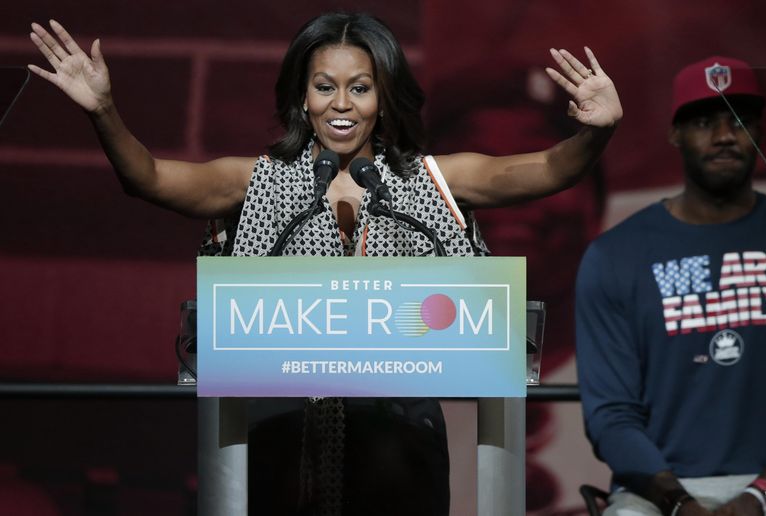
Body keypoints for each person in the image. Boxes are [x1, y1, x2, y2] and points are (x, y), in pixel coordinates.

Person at [29, 12, 622, 515]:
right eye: (324, 86)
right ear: (301, 96)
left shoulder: (432, 179)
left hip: (399, 443)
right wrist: (103, 111)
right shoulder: (256, 179)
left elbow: (550, 169)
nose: (341, 104)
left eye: (360, 87)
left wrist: (594, 135)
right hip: (279, 439)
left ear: (384, 95)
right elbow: (150, 179)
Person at [575, 56, 766, 516]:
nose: (725, 136)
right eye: (705, 121)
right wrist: (677, 502)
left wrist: (759, 495)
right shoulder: (615, 257)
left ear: (759, 132)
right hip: (659, 490)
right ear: (674, 134)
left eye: (739, 121)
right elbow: (611, 415)